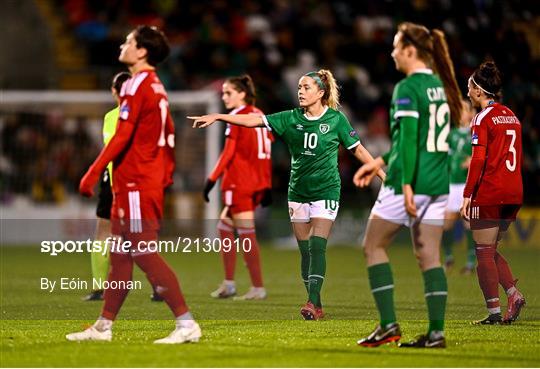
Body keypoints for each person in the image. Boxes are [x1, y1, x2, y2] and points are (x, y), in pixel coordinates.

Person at [189, 69, 384, 320]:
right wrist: (219, 116)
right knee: (305, 252)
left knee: (317, 245)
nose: (300, 92)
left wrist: (382, 175)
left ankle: (311, 303)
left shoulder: (337, 120)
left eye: (306, 88)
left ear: (321, 93)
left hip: (326, 190)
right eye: (299, 87)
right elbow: (253, 121)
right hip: (298, 192)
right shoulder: (290, 118)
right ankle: (317, 302)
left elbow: (358, 150)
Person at [67, 25, 201, 344]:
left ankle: (186, 324)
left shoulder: (137, 85)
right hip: (136, 181)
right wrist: (164, 174)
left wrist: (93, 170)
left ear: (142, 51)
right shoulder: (155, 87)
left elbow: (124, 135)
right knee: (121, 255)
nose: (123, 45)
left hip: (137, 183)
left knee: (143, 252)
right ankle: (103, 327)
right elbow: (169, 135)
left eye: (128, 41)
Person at [353, 22, 463, 348]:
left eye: (396, 46)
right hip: (437, 180)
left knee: (373, 246)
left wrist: (406, 186)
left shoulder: (408, 88)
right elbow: (411, 142)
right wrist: (378, 161)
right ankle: (437, 332)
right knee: (429, 254)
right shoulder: (441, 87)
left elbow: (411, 141)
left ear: (410, 51)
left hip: (408, 180)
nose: (392, 52)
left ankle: (388, 325)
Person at [461, 61, 525, 325]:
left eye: (469, 88)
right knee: (491, 248)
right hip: (514, 192)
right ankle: (513, 294)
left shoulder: (482, 118)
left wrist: (467, 194)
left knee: (483, 252)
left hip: (491, 190)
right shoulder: (512, 115)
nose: (467, 93)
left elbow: (477, 160)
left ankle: (494, 313)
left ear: (478, 90)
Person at [204, 75, 273, 300]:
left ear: (242, 94)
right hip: (257, 181)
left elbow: (229, 152)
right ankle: (229, 284)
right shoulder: (259, 114)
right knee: (224, 227)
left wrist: (212, 179)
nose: (224, 97)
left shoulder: (237, 116)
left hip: (240, 182)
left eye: (228, 93)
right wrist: (266, 183)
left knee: (246, 234)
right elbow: (267, 147)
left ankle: (257, 287)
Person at [82, 71, 131, 302]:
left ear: (113, 91)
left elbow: (112, 150)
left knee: (104, 232)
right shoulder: (137, 115)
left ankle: (100, 288)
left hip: (116, 182)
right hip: (129, 182)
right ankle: (158, 285)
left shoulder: (114, 117)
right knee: (139, 235)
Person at [441, 99, 475, 275]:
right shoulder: (451, 134)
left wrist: (473, 161)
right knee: (446, 225)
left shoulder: (474, 132)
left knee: (468, 224)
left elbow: (483, 155)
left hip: (467, 185)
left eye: (462, 109)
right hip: (451, 185)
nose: (459, 112)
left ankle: (470, 263)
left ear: (470, 113)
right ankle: (448, 258)